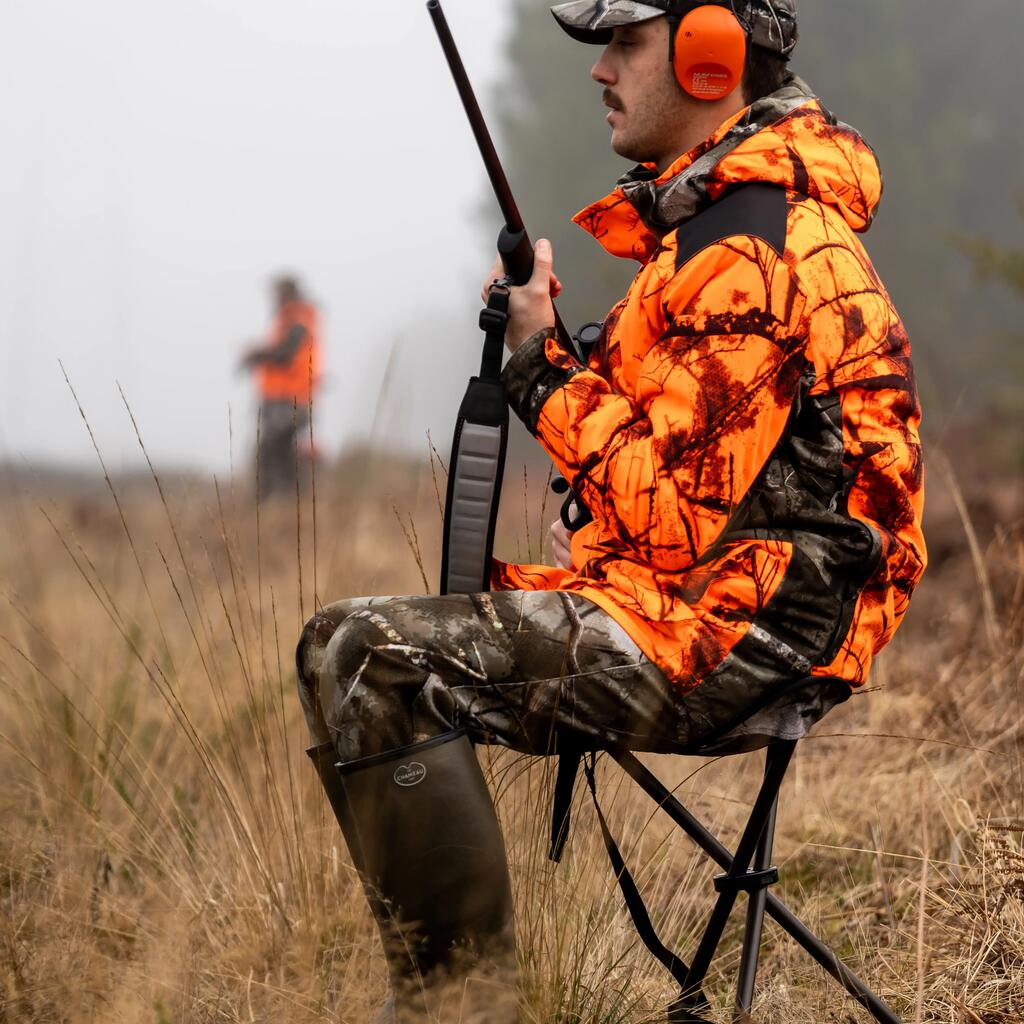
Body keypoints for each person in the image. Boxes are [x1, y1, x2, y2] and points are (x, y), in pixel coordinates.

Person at [296, 2, 926, 1021]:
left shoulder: (753, 247)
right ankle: (450, 997)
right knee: (342, 649)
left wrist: (540, 366)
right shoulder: (709, 237)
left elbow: (674, 516)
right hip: (708, 599)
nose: (600, 72)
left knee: (368, 654)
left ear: (710, 58)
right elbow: (679, 476)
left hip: (747, 635)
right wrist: (591, 487)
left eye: (625, 44)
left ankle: (459, 1006)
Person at [240, 275, 321, 498]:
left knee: (270, 451)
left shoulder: (299, 318)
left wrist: (256, 354)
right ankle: (284, 505)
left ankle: (273, 503)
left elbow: (286, 353)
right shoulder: (289, 319)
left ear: (288, 293)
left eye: (277, 292)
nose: (274, 298)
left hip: (291, 399)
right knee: (280, 451)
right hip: (280, 398)